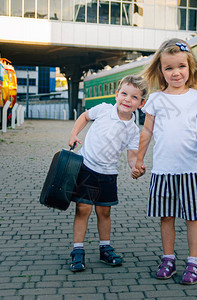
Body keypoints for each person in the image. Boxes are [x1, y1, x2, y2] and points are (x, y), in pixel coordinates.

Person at [131, 38, 197, 285]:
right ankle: (168, 258)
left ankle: (194, 262)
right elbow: (146, 132)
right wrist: (139, 160)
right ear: (161, 71)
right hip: (163, 170)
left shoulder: (196, 98)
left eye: (181, 66)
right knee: (166, 216)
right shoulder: (155, 99)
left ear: (191, 68)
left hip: (190, 169)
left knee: (193, 217)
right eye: (169, 68)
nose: (176, 72)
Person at [68, 75, 148, 272]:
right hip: (86, 167)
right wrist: (73, 133)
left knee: (104, 212)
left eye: (134, 97)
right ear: (116, 94)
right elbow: (85, 116)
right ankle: (77, 250)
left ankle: (105, 248)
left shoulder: (133, 130)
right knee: (83, 209)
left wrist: (135, 167)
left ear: (141, 103)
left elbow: (131, 155)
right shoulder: (104, 109)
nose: (127, 100)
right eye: (124, 94)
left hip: (108, 174)